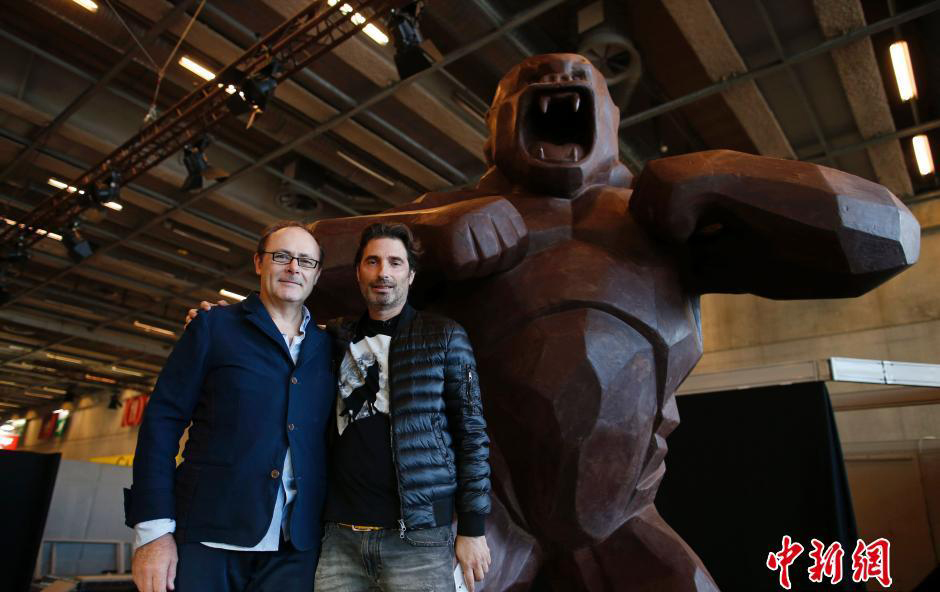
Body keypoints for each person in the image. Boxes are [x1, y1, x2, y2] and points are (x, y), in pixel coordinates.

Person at [188, 222, 492, 591]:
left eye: (396, 263)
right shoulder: (331, 337)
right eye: (373, 261)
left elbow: (472, 434)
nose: (384, 273)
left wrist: (473, 529)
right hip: (337, 539)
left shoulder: (445, 336)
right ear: (358, 273)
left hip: (418, 538)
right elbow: (281, 331)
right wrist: (224, 319)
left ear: (410, 275)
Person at [126, 221, 334, 592]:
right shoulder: (214, 327)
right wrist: (153, 532)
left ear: (316, 275)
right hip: (207, 537)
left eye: (305, 261)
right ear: (258, 263)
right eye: (282, 256)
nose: (293, 268)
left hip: (295, 549)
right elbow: (162, 423)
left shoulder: (328, 348)